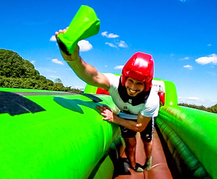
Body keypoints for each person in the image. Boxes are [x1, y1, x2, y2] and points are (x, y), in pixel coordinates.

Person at [55, 29, 160, 172]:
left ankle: (148, 159)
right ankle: (134, 165)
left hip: (143, 118)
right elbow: (93, 77)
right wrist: (73, 59)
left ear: (146, 84)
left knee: (147, 140)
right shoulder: (115, 83)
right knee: (130, 143)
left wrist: (114, 118)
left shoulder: (151, 99)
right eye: (131, 81)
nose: (133, 88)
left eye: (139, 83)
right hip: (125, 114)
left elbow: (139, 127)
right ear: (125, 78)